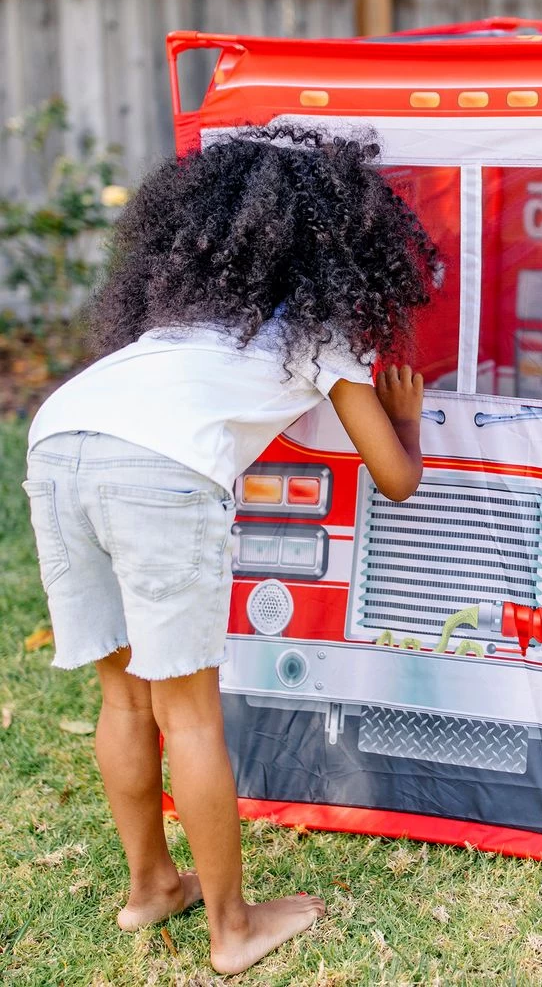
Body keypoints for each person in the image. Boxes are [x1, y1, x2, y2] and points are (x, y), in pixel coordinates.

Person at [20, 126, 434, 974]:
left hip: (60, 434)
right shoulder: (319, 337)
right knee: (190, 714)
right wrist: (408, 416)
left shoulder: (174, 321)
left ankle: (151, 888)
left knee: (126, 699)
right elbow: (395, 479)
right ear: (342, 247)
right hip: (159, 471)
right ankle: (233, 930)